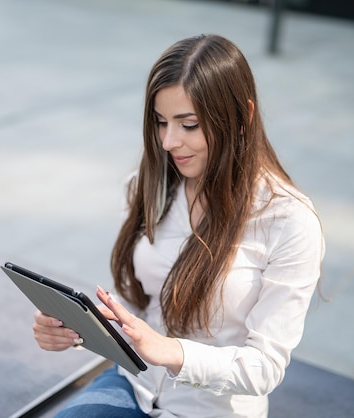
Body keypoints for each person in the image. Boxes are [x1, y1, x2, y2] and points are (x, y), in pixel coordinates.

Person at [32, 34, 325, 418]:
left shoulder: (289, 221)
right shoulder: (148, 187)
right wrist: (76, 329)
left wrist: (171, 351)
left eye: (189, 124)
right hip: (134, 386)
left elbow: (265, 367)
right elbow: (139, 309)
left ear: (243, 117)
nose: (169, 142)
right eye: (160, 122)